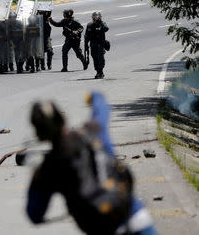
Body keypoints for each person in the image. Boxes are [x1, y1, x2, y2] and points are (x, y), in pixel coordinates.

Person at [26, 92, 158, 235]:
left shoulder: (49, 166)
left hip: (101, 229)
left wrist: (35, 179)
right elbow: (102, 109)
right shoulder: (91, 134)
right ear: (63, 118)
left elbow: (34, 214)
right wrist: (95, 96)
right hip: (135, 219)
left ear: (38, 135)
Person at [85, 12, 109, 79]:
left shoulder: (102, 23)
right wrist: (86, 45)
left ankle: (100, 72)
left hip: (100, 44)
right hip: (93, 44)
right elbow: (86, 35)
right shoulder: (89, 25)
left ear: (100, 17)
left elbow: (106, 29)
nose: (95, 18)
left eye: (97, 17)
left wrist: (100, 22)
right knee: (94, 58)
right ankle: (98, 71)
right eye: (94, 17)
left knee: (100, 58)